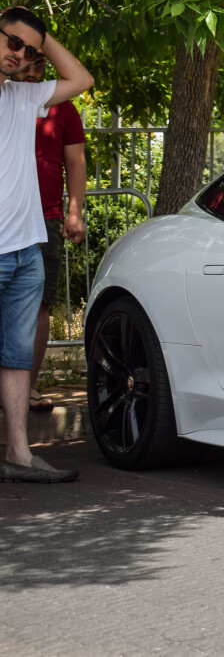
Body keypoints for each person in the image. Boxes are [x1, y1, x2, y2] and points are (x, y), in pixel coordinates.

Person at [0, 6, 93, 482]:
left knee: (17, 356)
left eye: (30, 51)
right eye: (12, 43)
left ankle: (18, 453)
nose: (21, 55)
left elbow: (81, 78)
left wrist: (41, 36)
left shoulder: (25, 97)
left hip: (24, 249)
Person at [24, 54, 86, 412]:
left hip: (45, 218)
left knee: (39, 306)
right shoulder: (8, 101)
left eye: (38, 67)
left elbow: (76, 162)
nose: (32, 75)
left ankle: (28, 388)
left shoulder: (64, 108)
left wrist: (74, 214)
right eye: (24, 67)